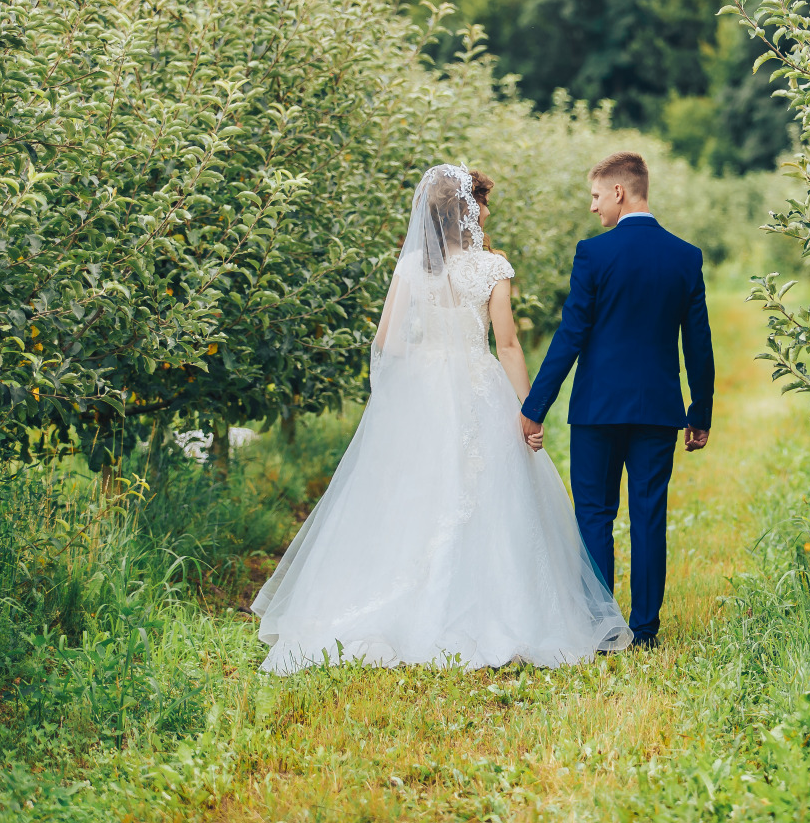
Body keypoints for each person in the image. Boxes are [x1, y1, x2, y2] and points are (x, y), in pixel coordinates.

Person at [251, 165, 632, 673]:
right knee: (489, 494)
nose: (489, 212)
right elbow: (509, 345)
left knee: (416, 493)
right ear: (468, 212)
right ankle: (490, 607)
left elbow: (386, 340)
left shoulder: (412, 266)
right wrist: (529, 411)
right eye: (484, 203)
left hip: (423, 390)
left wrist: (428, 356)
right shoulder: (492, 268)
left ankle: (399, 602)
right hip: (479, 387)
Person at [519, 152, 714, 649]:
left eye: (596, 195)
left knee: (594, 514)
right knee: (649, 514)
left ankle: (602, 627)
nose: (593, 207)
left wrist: (533, 407)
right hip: (657, 410)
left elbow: (570, 336)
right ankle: (645, 631)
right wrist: (700, 412)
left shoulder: (593, 255)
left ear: (620, 193)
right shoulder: (685, 256)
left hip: (597, 410)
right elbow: (698, 343)